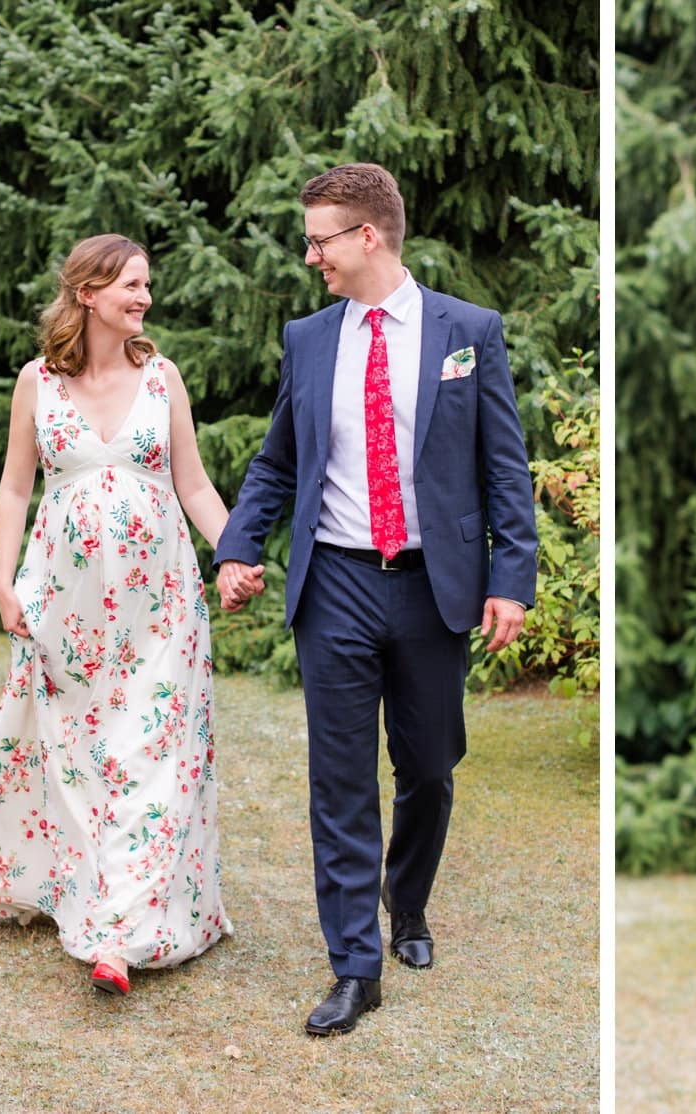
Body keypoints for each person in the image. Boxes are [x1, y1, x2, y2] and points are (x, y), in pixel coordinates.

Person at [213, 162, 537, 1037]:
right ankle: (355, 965)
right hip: (338, 583)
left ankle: (411, 904)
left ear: (368, 237)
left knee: (428, 768)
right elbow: (279, 458)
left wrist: (512, 578)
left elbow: (504, 465)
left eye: (319, 239)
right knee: (341, 780)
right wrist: (239, 543)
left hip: (435, 589)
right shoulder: (309, 337)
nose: (309, 255)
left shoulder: (469, 330)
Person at [0, 234, 233, 995]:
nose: (143, 297)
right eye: (130, 285)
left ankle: (126, 936)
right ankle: (82, 892)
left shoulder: (161, 378)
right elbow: (16, 488)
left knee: (155, 752)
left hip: (162, 603)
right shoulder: (36, 383)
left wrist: (233, 553)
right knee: (77, 755)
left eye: (146, 285)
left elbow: (196, 485)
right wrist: (4, 578)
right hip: (64, 606)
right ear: (88, 293)